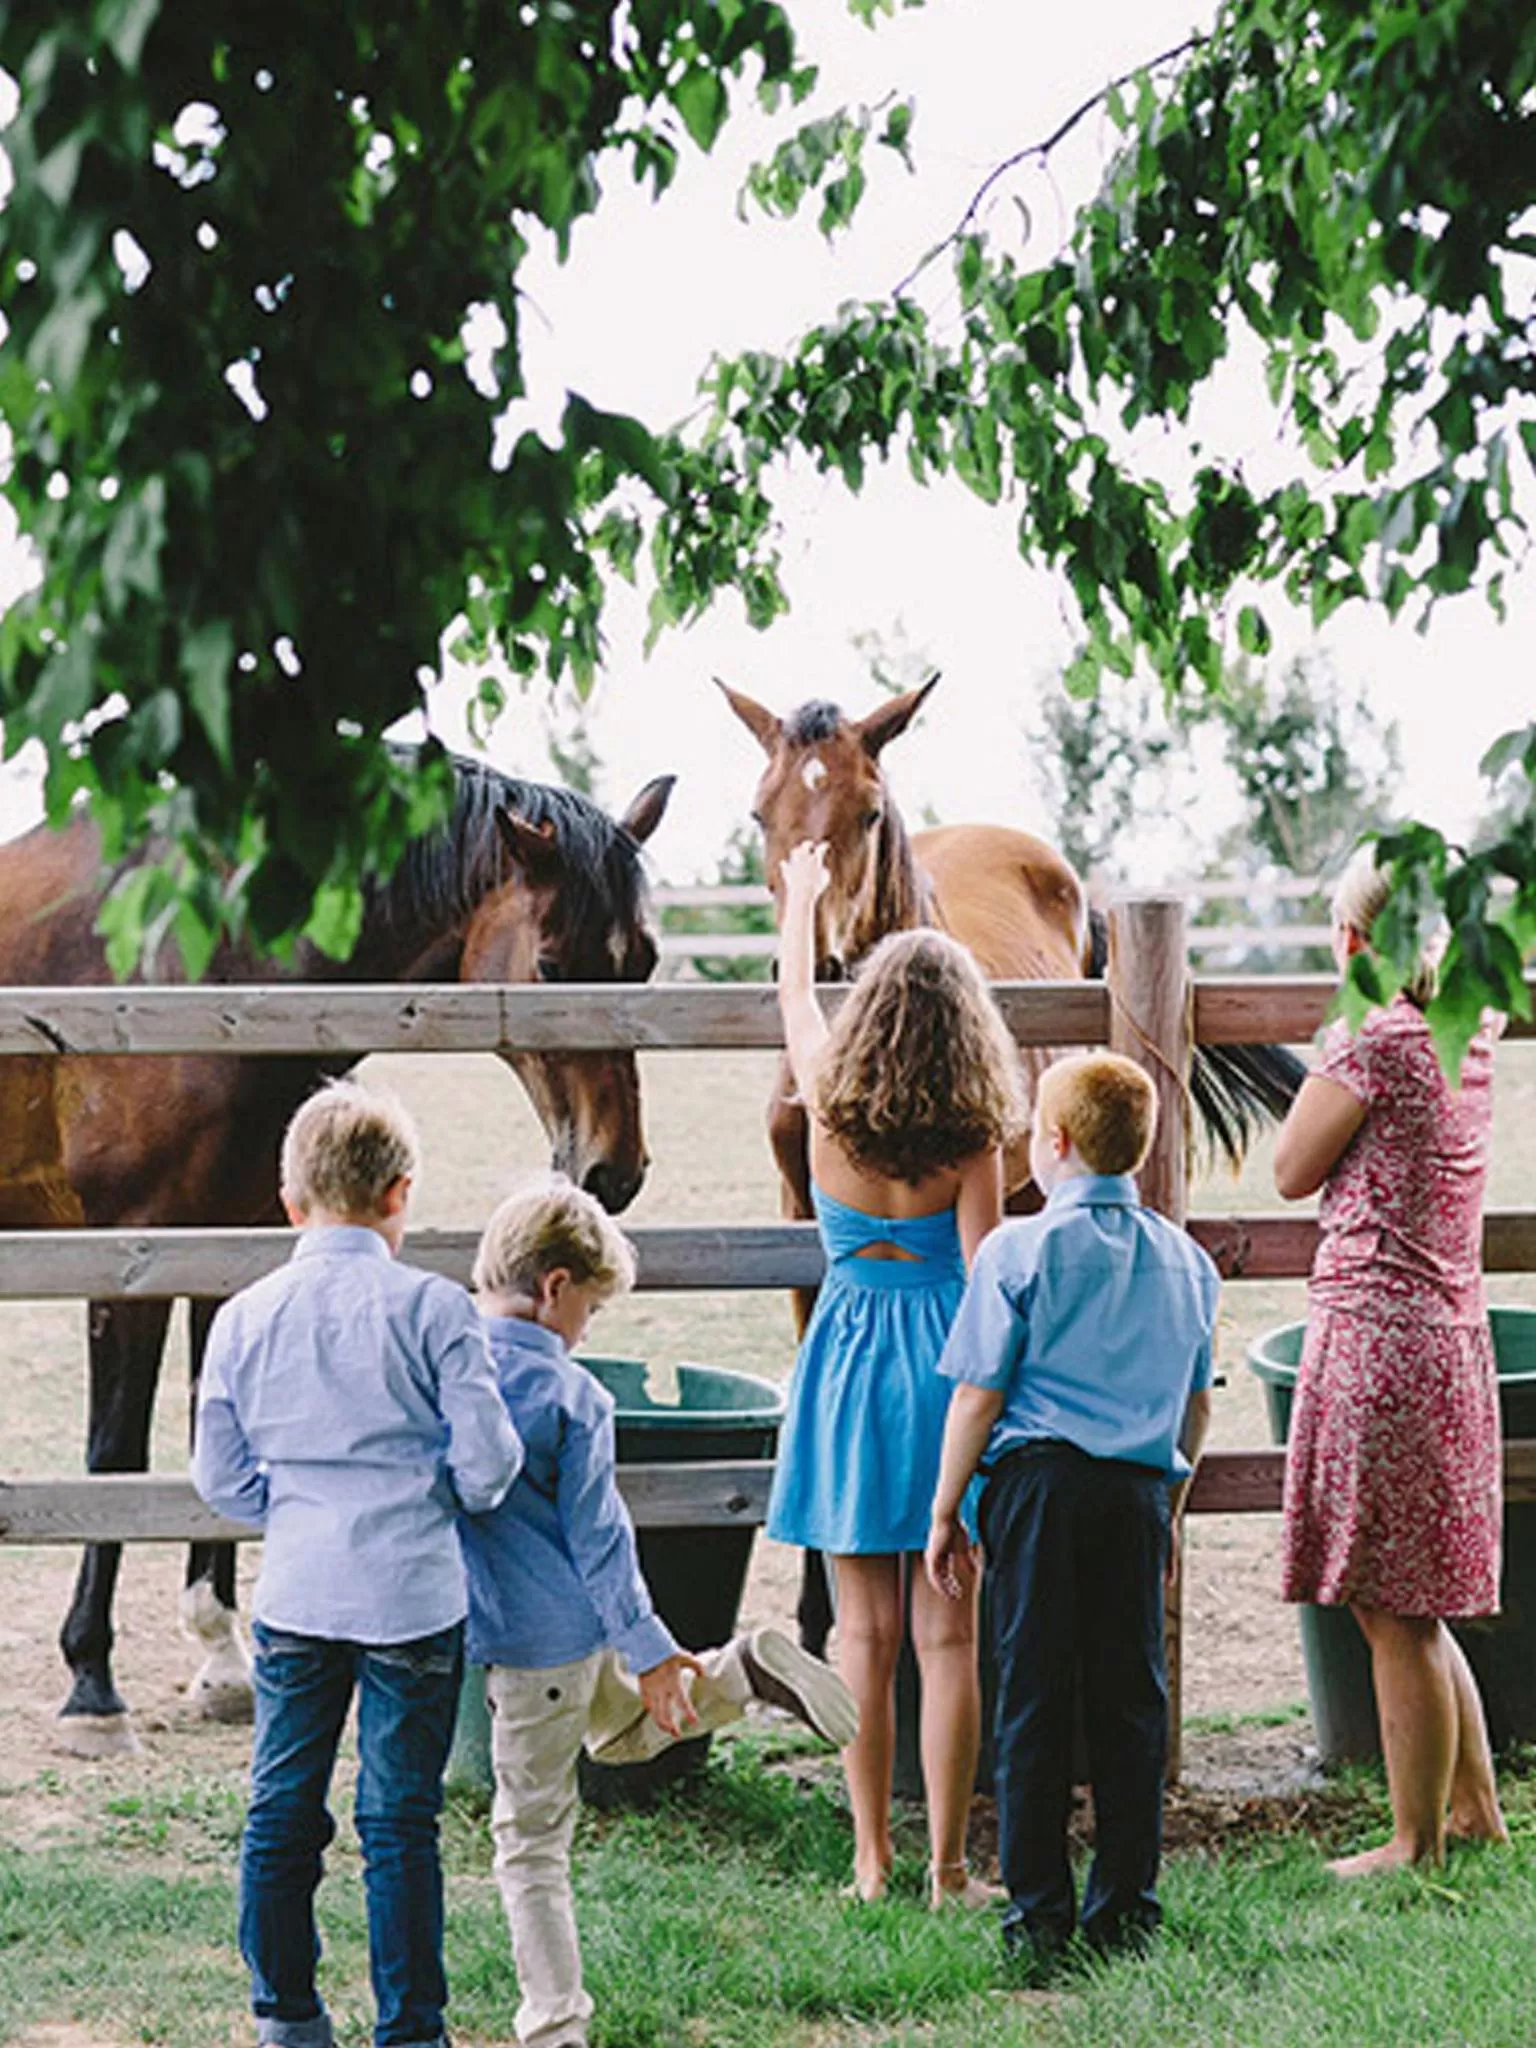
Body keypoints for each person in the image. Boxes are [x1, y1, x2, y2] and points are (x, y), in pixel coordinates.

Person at [459, 1172, 858, 2048]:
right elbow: (603, 1538)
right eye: (591, 1312)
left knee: (529, 1843)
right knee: (625, 1732)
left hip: (520, 1650)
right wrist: (645, 1646)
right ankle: (736, 1670)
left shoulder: (451, 1375)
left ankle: (555, 2024)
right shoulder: (575, 1399)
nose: (586, 1331)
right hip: (580, 1636)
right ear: (556, 1287)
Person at [191, 1080, 521, 2048]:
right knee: (398, 1818)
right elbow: (490, 1461)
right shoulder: (434, 1310)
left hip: (298, 1589)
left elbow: (221, 1473)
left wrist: (293, 1508)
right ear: (400, 1194)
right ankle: (411, 2022)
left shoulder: (246, 1315)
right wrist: (440, 1496)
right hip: (412, 1593)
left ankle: (285, 2009)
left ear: (291, 1201)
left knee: (283, 1804)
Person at [764, 838, 1024, 1907]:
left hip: (845, 1360)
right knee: (948, 1627)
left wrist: (804, 900)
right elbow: (988, 1281)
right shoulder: (974, 1136)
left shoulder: (825, 1096)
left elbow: (792, 986)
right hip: (942, 1373)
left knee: (859, 1631)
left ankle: (869, 1857)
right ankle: (949, 1863)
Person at [925, 1051, 1218, 1968]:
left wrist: (945, 1510)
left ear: (1052, 1144)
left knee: (1035, 1694)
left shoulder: (1017, 1250)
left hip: (1040, 1491)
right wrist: (1172, 1501)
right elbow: (1195, 1401)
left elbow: (978, 1393)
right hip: (1135, 1493)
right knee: (1132, 1696)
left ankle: (1038, 1911)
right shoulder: (1187, 1261)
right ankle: (1127, 1903)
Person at [1273, 845, 1507, 1875]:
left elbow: (1289, 1168)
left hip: (1379, 1337)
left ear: (1358, 939)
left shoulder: (1373, 1041)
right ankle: (1475, 1811)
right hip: (1449, 1333)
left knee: (1388, 1602)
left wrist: (1338, 1030)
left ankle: (1413, 1842)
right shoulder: (1472, 1030)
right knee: (1414, 1600)